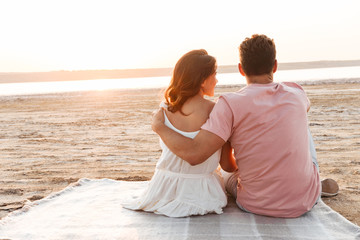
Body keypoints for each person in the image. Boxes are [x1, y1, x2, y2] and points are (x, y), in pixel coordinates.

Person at [152, 34, 339, 218]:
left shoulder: (229, 104)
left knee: (223, 176)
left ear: (241, 69)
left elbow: (196, 155)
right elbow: (301, 111)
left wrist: (159, 126)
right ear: (274, 65)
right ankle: (311, 184)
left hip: (255, 204)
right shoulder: (296, 93)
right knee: (301, 124)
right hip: (304, 201)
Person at [123, 49, 235, 217]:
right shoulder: (215, 111)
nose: (217, 80)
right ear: (203, 80)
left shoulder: (163, 111)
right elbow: (227, 164)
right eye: (214, 74)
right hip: (202, 192)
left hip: (162, 188)